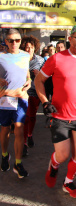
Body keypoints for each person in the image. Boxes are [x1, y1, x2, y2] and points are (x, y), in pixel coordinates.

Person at [34, 24, 76, 198]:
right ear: (71, 38)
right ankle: (54, 165)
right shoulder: (57, 58)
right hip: (59, 115)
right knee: (63, 155)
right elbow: (38, 81)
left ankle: (68, 182)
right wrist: (45, 102)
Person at [0, 29, 31, 178]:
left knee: (19, 129)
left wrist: (29, 81)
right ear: (6, 42)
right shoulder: (1, 56)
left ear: (20, 41)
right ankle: (5, 155)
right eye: (11, 40)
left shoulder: (26, 55)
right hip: (4, 99)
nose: (14, 43)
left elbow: (27, 74)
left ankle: (18, 164)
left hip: (21, 98)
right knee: (5, 130)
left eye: (17, 40)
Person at [20, 35, 45, 156]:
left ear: (35, 48)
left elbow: (46, 77)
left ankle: (29, 135)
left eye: (31, 47)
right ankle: (24, 143)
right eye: (26, 47)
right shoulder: (19, 59)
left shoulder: (40, 60)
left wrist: (39, 74)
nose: (28, 49)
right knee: (26, 118)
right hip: (23, 92)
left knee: (32, 117)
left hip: (35, 91)